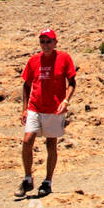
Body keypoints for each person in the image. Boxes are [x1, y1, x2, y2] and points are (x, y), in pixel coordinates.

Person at [16, 29, 77, 197]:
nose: (46, 45)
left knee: (51, 144)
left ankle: (47, 181)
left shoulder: (64, 58)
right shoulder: (34, 60)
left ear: (55, 42)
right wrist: (25, 108)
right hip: (35, 107)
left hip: (54, 109)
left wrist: (66, 101)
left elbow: (72, 82)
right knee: (27, 140)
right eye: (42, 42)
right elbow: (26, 84)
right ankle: (27, 178)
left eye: (49, 41)